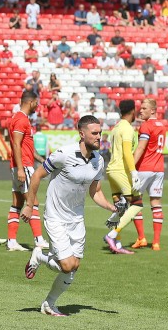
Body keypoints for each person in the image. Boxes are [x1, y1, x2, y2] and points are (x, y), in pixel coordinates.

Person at [25, 116, 122, 317]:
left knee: (74, 267)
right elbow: (37, 175)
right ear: (82, 134)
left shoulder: (98, 160)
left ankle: (49, 304)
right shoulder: (64, 154)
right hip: (55, 216)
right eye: (94, 133)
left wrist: (111, 207)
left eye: (100, 133)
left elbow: (95, 191)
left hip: (76, 219)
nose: (98, 137)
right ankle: (40, 256)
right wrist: (29, 205)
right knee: (67, 265)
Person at [6, 91, 49, 251]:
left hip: (21, 164)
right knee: (33, 202)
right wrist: (21, 169)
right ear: (31, 102)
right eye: (36, 103)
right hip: (22, 166)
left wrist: (42, 161)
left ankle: (11, 241)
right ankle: (38, 239)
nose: (37, 106)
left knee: (17, 203)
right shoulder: (20, 120)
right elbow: (16, 145)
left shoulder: (21, 119)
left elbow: (26, 147)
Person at [103, 100, 141, 254]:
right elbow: (126, 152)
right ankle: (111, 235)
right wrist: (134, 172)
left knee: (121, 208)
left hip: (111, 170)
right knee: (137, 204)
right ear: (133, 111)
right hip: (120, 171)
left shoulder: (116, 127)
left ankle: (116, 244)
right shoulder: (127, 128)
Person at [131, 99, 166, 250]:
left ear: (153, 111)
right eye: (140, 108)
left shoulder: (145, 126)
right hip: (159, 169)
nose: (140, 110)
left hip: (144, 168)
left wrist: (130, 166)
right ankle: (156, 242)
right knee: (156, 204)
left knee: (135, 201)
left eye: (144, 108)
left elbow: (140, 148)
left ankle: (141, 238)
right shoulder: (162, 126)